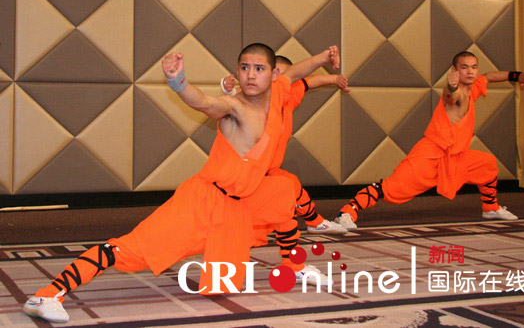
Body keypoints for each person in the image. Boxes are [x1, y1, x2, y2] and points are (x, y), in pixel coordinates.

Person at [23, 43, 341, 323]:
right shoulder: (235, 108)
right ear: (237, 71)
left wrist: (324, 57)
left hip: (239, 203)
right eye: (244, 68)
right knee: (131, 250)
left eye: (259, 69)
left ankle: (293, 266)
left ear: (273, 74)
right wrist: (178, 81)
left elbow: (298, 71)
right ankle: (46, 295)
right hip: (203, 202)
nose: (250, 75)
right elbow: (204, 102)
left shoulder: (280, 92)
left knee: (284, 190)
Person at [334, 51, 524, 230]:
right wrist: (451, 86)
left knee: (487, 164)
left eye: (474, 67)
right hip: (432, 153)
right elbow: (450, 97)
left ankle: (490, 208)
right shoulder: (457, 93)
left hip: (456, 156)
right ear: (455, 70)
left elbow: (489, 77)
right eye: (464, 67)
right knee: (394, 187)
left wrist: (515, 75)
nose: (470, 71)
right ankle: (347, 212)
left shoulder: (474, 87)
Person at [221, 55, 350, 235]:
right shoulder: (257, 98)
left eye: (287, 76)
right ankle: (311, 222)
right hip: (250, 169)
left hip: (271, 168)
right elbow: (235, 99)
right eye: (277, 76)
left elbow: (310, 81)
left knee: (289, 187)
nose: (280, 80)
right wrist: (227, 89)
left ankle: (311, 222)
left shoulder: (291, 93)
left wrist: (334, 79)